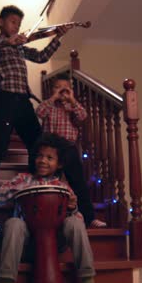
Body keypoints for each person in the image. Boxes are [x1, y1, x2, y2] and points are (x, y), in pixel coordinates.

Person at [0, 133, 107, 283]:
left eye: (50, 158)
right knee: (13, 223)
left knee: (76, 222)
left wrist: (72, 207)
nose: (43, 160)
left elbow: (73, 218)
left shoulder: (63, 187)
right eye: (40, 156)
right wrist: (16, 188)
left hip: (54, 241)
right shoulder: (23, 179)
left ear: (59, 163)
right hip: (27, 241)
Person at [0, 5, 68, 189]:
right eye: (12, 22)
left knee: (37, 141)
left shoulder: (19, 48)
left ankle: (37, 179)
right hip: (6, 97)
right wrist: (8, 41)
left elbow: (42, 57)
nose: (16, 27)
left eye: (18, 24)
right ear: (1, 22)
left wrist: (58, 38)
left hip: (23, 100)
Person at [36, 73, 107, 228]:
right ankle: (46, 217)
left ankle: (89, 218)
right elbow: (39, 112)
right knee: (46, 183)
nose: (62, 91)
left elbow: (83, 117)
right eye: (57, 88)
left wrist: (72, 100)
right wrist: (53, 98)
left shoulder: (72, 107)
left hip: (68, 147)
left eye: (65, 89)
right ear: (52, 91)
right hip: (50, 149)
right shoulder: (49, 104)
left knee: (78, 182)